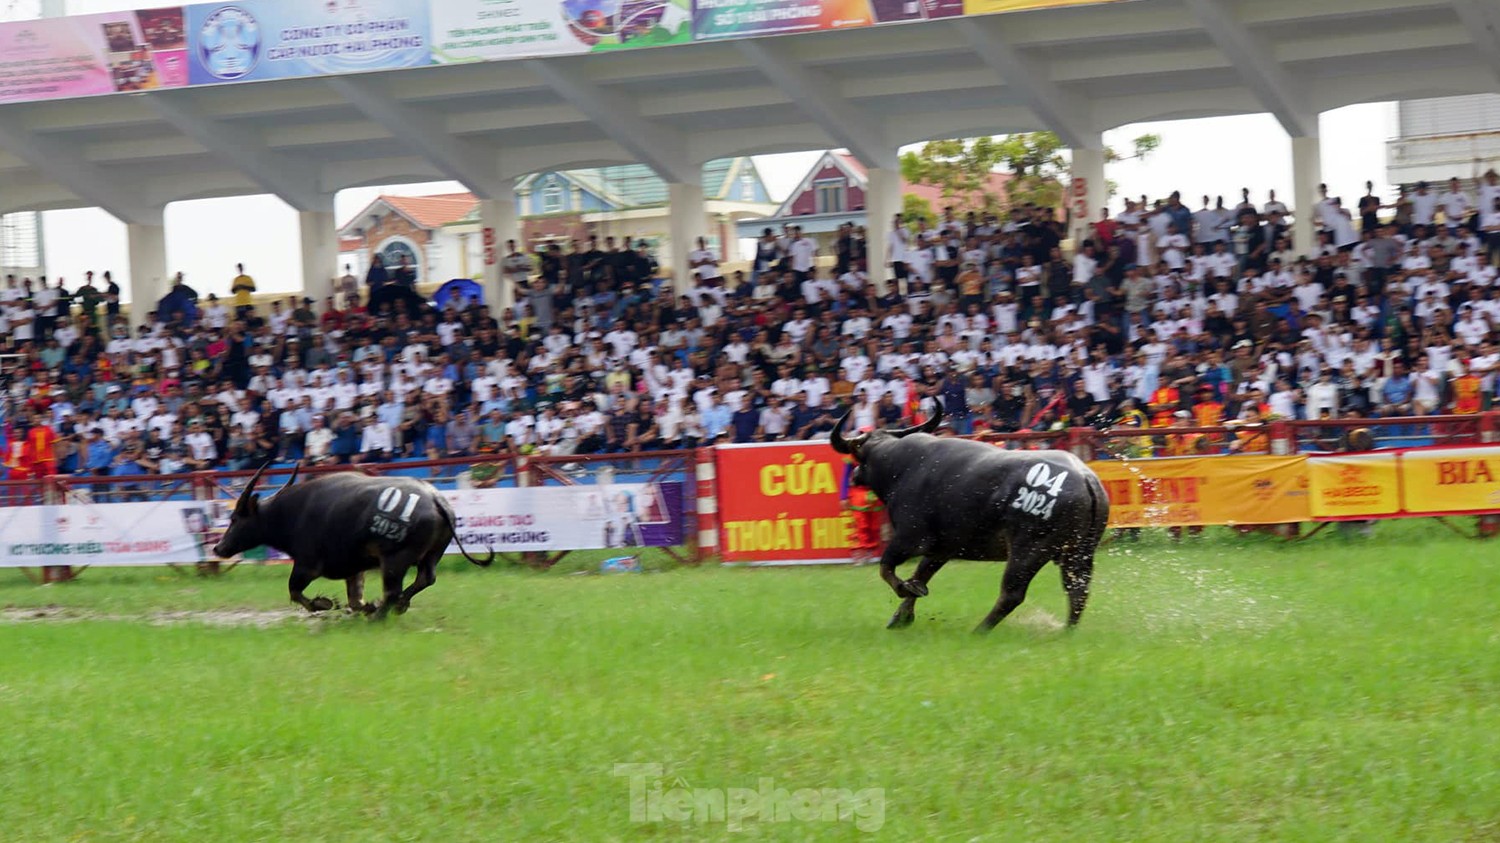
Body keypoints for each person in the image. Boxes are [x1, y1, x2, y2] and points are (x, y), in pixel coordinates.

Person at [840, 426, 885, 564]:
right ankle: (860, 554)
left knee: (874, 525)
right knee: (861, 524)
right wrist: (843, 496)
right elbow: (845, 476)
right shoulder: (851, 455)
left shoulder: (880, 454)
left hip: (875, 493)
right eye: (861, 435)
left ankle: (871, 553)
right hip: (858, 493)